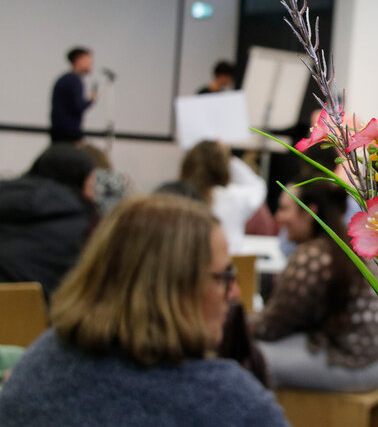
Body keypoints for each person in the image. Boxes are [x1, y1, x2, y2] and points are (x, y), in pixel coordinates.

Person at [0, 195, 289, 426]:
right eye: (224, 277)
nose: (235, 293)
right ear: (177, 289)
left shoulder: (38, 364)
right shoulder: (228, 402)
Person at [250, 180, 378, 391]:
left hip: (361, 365)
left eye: (284, 209)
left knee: (247, 358)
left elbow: (270, 327)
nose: (278, 217)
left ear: (309, 212)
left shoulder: (313, 256)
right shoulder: (344, 247)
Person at [0, 144, 96, 299]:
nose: (92, 193)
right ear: (78, 180)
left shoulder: (6, 196)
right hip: (43, 315)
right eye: (90, 185)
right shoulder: (80, 223)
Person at [179, 140, 268, 252]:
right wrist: (229, 158)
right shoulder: (232, 198)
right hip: (225, 264)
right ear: (224, 167)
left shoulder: (178, 198)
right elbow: (257, 186)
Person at [50, 47, 97, 142]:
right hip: (69, 135)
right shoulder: (75, 80)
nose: (91, 64)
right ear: (79, 61)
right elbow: (78, 106)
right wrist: (91, 100)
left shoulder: (64, 79)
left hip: (58, 133)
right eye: (88, 60)